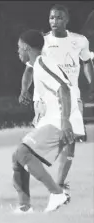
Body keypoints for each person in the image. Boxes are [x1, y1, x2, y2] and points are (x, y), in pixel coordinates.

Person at [18, 5, 93, 199]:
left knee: (70, 142)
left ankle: (59, 185)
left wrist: (91, 84)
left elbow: (86, 62)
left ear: (66, 19)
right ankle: (35, 179)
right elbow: (29, 68)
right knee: (37, 143)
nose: (54, 21)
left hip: (71, 97)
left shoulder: (79, 41)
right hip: (45, 100)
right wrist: (24, 90)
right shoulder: (42, 41)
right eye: (51, 18)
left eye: (59, 18)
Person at [12, 29, 83, 213]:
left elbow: (64, 90)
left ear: (26, 47)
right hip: (54, 118)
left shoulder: (43, 62)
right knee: (17, 158)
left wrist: (66, 121)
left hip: (61, 120)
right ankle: (24, 207)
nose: (18, 51)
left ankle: (57, 193)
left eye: (19, 48)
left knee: (22, 153)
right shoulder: (38, 65)